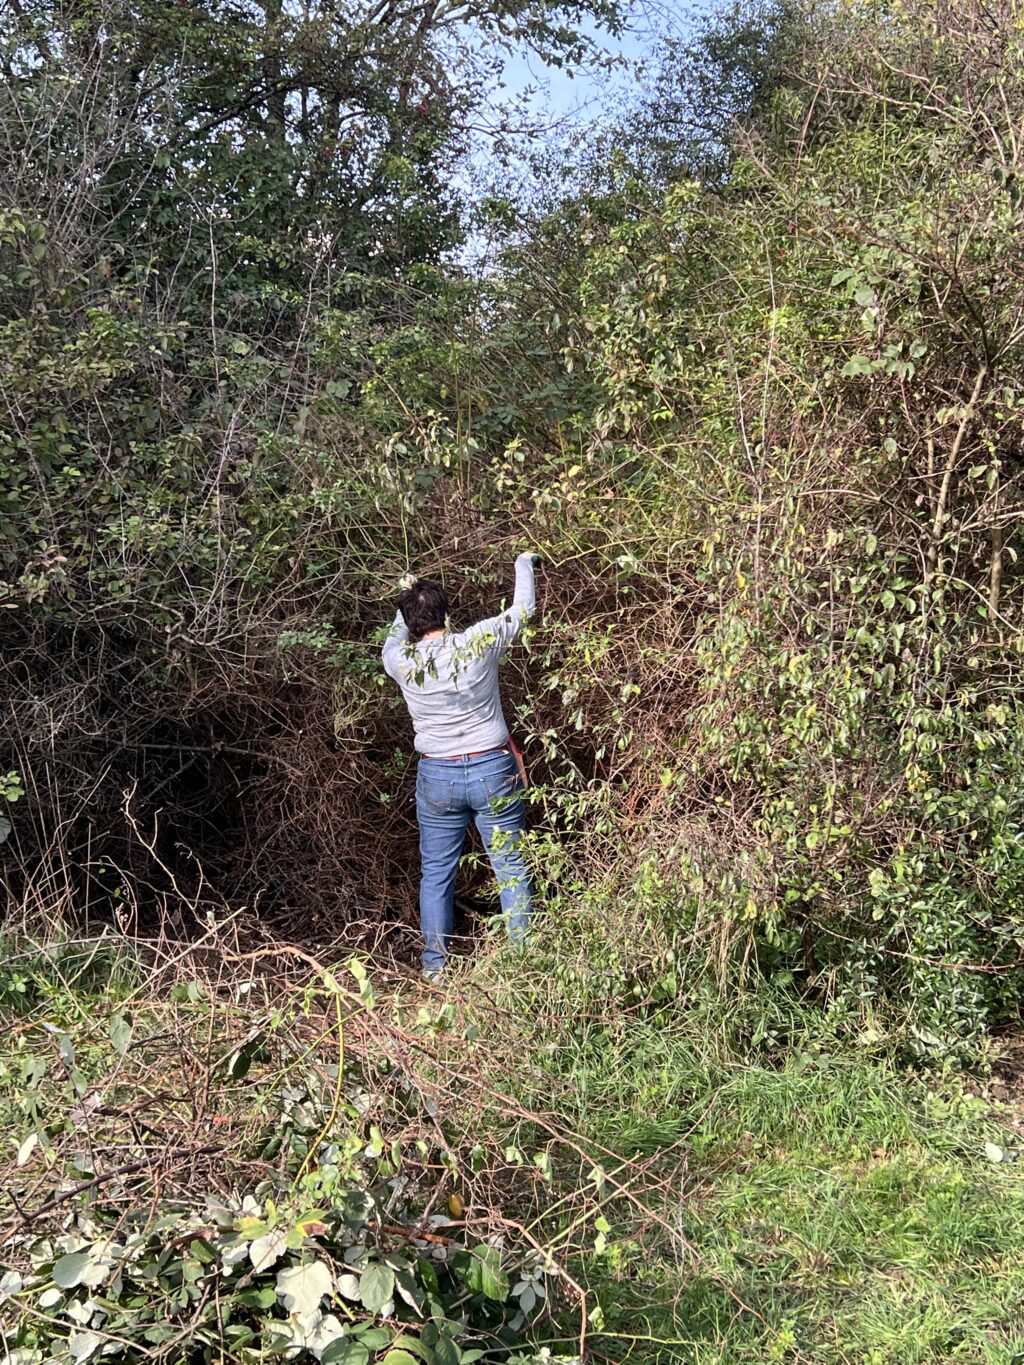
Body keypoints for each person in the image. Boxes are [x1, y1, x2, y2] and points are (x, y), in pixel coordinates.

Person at [382, 552, 538, 979]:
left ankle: (435, 968)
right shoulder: (476, 641)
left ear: (411, 622)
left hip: (437, 776)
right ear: (447, 615)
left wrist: (404, 594)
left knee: (436, 874)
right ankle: (524, 965)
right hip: (492, 768)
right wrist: (523, 561)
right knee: (510, 867)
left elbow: (392, 640)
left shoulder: (401, 661)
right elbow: (523, 608)